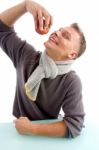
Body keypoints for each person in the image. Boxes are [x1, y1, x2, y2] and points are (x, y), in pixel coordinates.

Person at [0, 0, 86, 138]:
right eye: (59, 30)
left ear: (72, 55)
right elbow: (2, 28)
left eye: (65, 36)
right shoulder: (26, 56)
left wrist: (32, 128)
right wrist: (26, 5)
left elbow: (74, 125)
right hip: (18, 134)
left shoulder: (71, 81)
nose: (57, 33)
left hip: (47, 137)